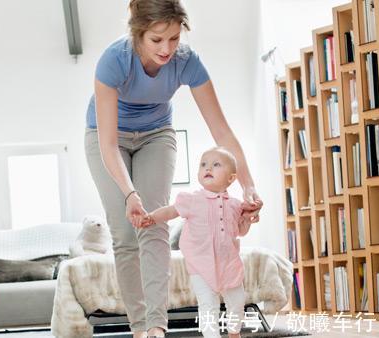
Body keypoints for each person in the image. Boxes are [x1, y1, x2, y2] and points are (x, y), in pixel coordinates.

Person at [84, 0, 263, 337]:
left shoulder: (186, 62)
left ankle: (156, 327)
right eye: (156, 40)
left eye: (174, 39)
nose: (167, 49)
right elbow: (108, 144)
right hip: (106, 137)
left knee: (153, 224)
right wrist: (129, 193)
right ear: (138, 34)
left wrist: (248, 185)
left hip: (156, 135)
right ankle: (139, 328)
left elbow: (221, 131)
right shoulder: (113, 61)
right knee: (125, 233)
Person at [137, 147, 251, 338]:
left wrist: (246, 219)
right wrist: (152, 217)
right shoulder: (191, 199)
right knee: (208, 306)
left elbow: (241, 231)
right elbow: (171, 211)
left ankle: (234, 332)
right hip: (201, 265)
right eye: (204, 164)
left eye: (216, 165)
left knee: (238, 300)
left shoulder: (235, 204)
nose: (208, 168)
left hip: (229, 264)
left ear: (231, 178)